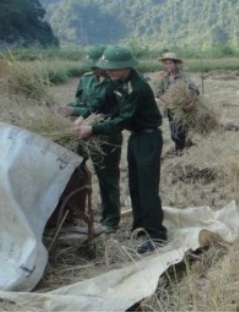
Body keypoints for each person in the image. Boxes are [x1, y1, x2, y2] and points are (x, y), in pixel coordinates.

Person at [75, 45, 167, 254]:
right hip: (135, 138)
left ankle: (157, 235)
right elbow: (102, 101)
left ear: (126, 67)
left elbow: (122, 120)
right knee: (134, 184)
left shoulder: (138, 88)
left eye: (114, 69)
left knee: (147, 187)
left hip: (149, 138)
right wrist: (83, 116)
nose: (110, 73)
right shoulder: (116, 81)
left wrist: (93, 129)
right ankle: (140, 227)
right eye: (108, 69)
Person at [55, 45, 122, 233]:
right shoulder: (86, 80)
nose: (92, 68)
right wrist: (68, 109)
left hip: (105, 135)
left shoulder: (115, 83)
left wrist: (76, 112)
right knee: (74, 171)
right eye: (90, 65)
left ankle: (110, 221)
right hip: (81, 133)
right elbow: (81, 103)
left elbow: (101, 109)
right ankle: (73, 213)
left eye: (95, 65)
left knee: (107, 178)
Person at [154, 52, 199, 152]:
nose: (168, 65)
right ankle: (185, 146)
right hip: (170, 110)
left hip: (182, 110)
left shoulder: (184, 77)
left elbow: (195, 91)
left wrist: (191, 104)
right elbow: (158, 92)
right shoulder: (165, 78)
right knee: (173, 136)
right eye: (166, 63)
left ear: (175, 63)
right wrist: (165, 99)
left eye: (170, 63)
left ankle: (180, 153)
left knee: (179, 135)